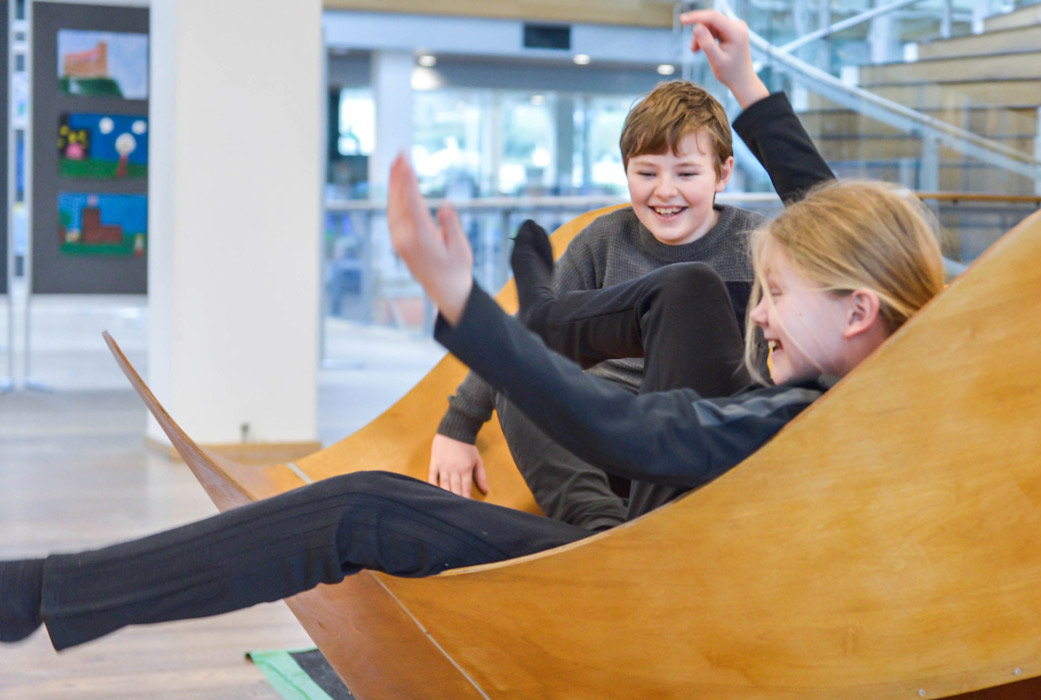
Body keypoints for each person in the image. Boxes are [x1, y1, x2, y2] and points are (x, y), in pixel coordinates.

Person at [0, 154, 944, 652]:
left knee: (360, 507)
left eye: (778, 295)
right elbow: (852, 237)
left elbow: (636, 431)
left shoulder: (800, 415)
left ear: (861, 311)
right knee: (696, 292)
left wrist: (464, 309)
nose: (766, 314)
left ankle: (40, 594)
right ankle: (542, 317)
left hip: (649, 580)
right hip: (671, 533)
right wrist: (749, 88)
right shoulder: (899, 372)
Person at [433, 17, 835, 531]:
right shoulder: (605, 240)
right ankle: (596, 527)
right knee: (521, 379)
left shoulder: (754, 243)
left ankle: (627, 530)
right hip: (607, 437)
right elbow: (524, 338)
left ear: (723, 174)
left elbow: (830, 222)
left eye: (686, 174)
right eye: (646, 173)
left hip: (701, 435)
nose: (664, 191)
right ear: (625, 171)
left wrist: (745, 82)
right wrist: (458, 426)